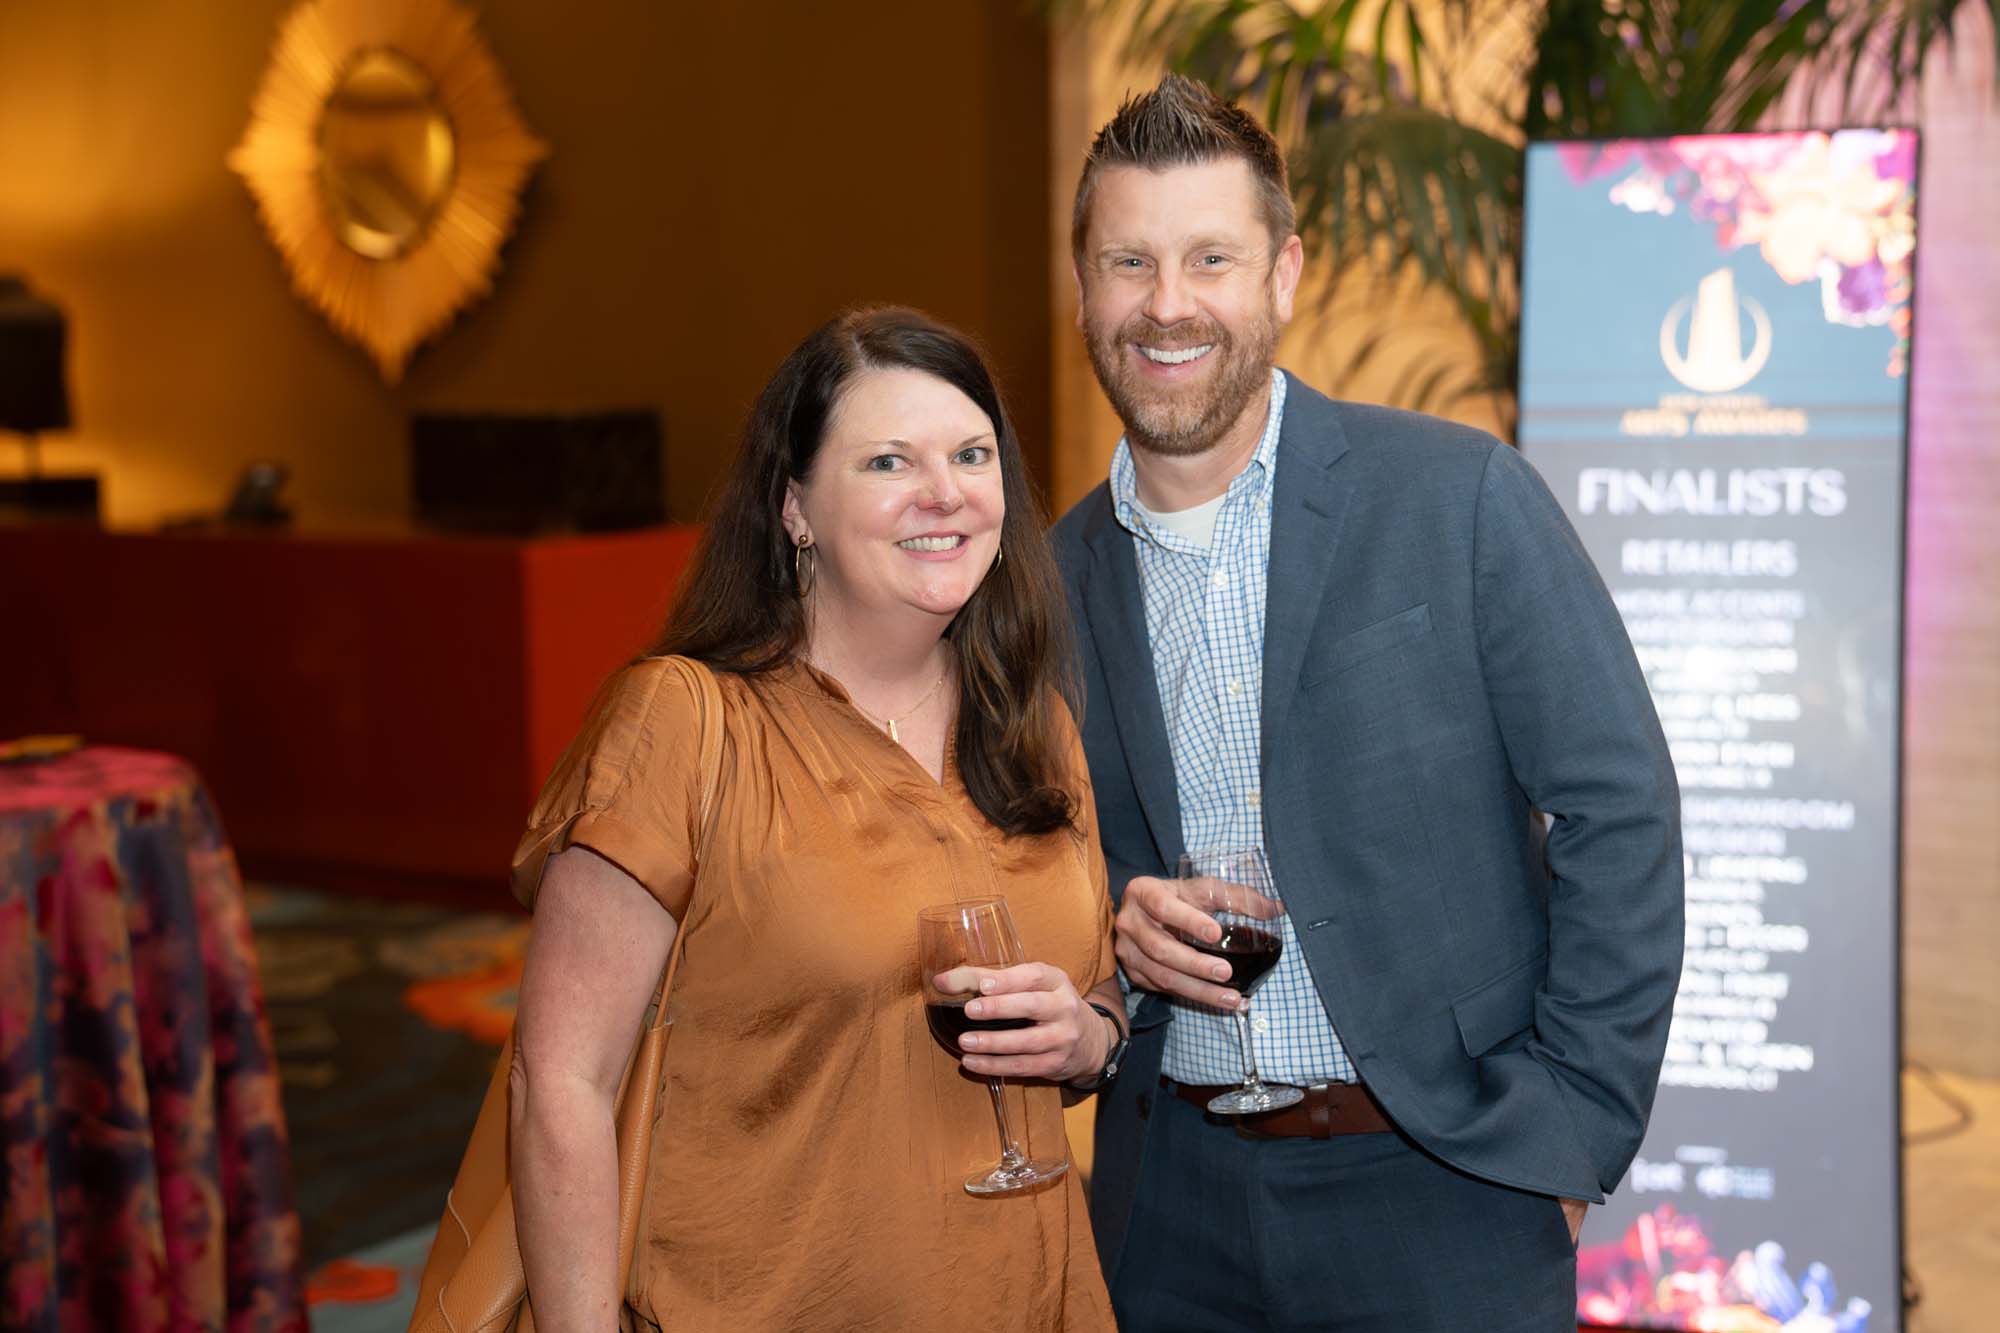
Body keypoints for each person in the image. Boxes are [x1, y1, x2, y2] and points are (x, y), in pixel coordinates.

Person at [1050, 75, 1685, 1331]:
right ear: (1081, 288)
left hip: (1444, 1190)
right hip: (1164, 1211)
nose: (1166, 303)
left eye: (1209, 258)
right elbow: (1040, 858)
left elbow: (1619, 810)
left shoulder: (1458, 498)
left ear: (1281, 275)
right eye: (1129, 262)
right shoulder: (1045, 580)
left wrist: (1566, 1131)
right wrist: (1109, 923)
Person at [507, 308, 1124, 1331]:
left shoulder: (1033, 723)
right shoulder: (686, 721)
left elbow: (1094, 989)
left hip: (1028, 1298)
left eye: (971, 455)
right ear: (795, 507)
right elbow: (559, 1081)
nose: (944, 491)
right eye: (888, 461)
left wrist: (1087, 1039)